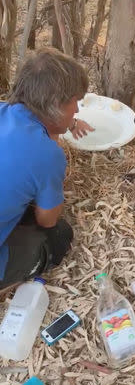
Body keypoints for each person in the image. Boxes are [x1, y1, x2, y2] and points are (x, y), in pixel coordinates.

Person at [0, 47, 94, 290]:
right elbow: (47, 220)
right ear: (55, 105)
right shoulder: (47, 154)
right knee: (59, 235)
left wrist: (67, 123)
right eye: (76, 101)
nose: (77, 110)